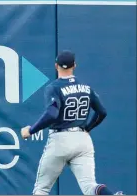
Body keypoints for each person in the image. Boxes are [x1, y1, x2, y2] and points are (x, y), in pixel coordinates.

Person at [21, 50, 124, 195]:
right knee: (89, 187)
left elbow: (51, 114)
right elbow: (102, 112)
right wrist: (88, 128)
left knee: (42, 189)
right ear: (74, 65)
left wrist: (31, 130)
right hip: (82, 140)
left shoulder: (54, 87)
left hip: (60, 140)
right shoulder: (86, 88)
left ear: (56, 66)